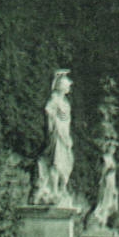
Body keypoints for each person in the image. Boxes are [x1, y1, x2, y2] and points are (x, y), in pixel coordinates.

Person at [32, 69, 75, 205]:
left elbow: (66, 120)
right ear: (61, 86)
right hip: (57, 134)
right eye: (67, 84)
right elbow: (48, 110)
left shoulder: (65, 102)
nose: (68, 87)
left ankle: (60, 189)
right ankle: (54, 191)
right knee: (56, 163)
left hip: (64, 135)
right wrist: (54, 124)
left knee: (66, 163)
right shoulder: (55, 99)